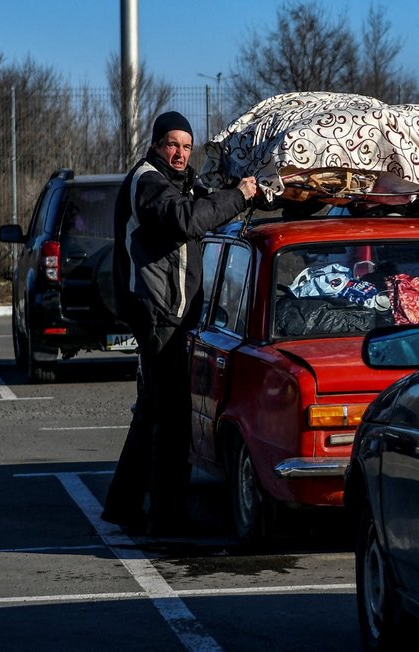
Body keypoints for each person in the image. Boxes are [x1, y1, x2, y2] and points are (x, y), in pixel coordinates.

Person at [102, 111, 258, 535]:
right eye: (173, 144)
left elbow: (204, 205)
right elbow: (186, 219)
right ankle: (166, 514)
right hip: (157, 312)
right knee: (171, 417)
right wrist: (240, 195)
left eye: (187, 146)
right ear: (155, 144)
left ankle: (125, 504)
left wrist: (243, 193)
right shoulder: (148, 182)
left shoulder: (180, 182)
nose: (180, 153)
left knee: (153, 410)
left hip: (173, 311)